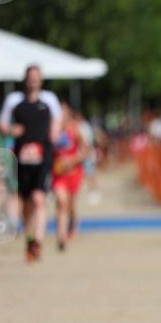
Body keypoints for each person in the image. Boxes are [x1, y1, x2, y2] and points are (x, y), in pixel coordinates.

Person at [0, 65, 62, 262]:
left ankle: (38, 243)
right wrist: (10, 130)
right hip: (22, 158)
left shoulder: (49, 100)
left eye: (37, 77)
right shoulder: (14, 100)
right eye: (30, 77)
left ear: (41, 80)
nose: (33, 80)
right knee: (26, 203)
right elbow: (1, 124)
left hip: (43, 156)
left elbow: (58, 121)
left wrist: (54, 133)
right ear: (25, 79)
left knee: (38, 199)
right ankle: (30, 238)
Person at [52, 102, 90, 251]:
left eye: (63, 113)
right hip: (58, 174)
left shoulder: (74, 130)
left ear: (68, 114)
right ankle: (61, 236)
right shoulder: (52, 130)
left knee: (70, 203)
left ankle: (73, 223)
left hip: (74, 172)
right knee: (61, 201)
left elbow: (86, 150)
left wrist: (73, 160)